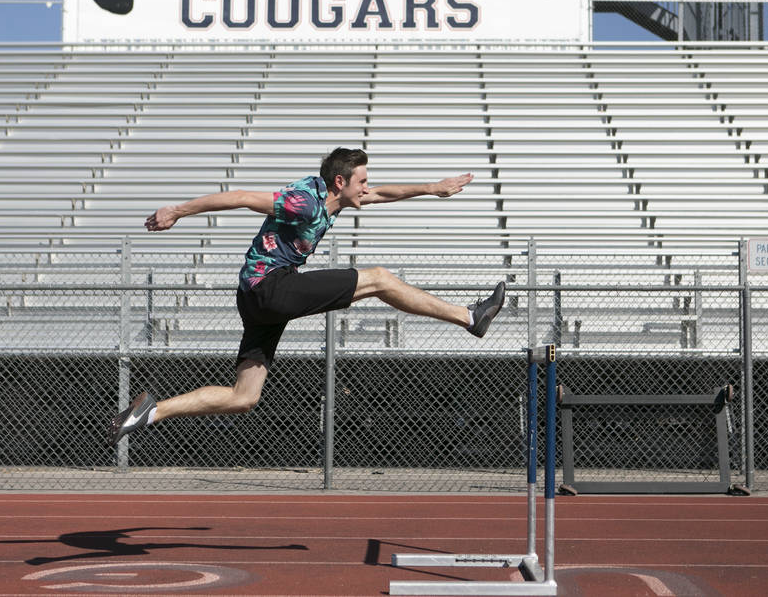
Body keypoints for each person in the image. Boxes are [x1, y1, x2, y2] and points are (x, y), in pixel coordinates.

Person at [107, 147, 506, 446]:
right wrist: (176, 210)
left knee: (244, 397)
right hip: (268, 287)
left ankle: (151, 411)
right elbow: (242, 196)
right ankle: (470, 317)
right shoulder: (304, 201)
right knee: (379, 279)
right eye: (362, 181)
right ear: (340, 182)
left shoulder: (336, 199)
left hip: (257, 301)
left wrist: (433, 188)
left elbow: (383, 194)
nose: (367, 189)